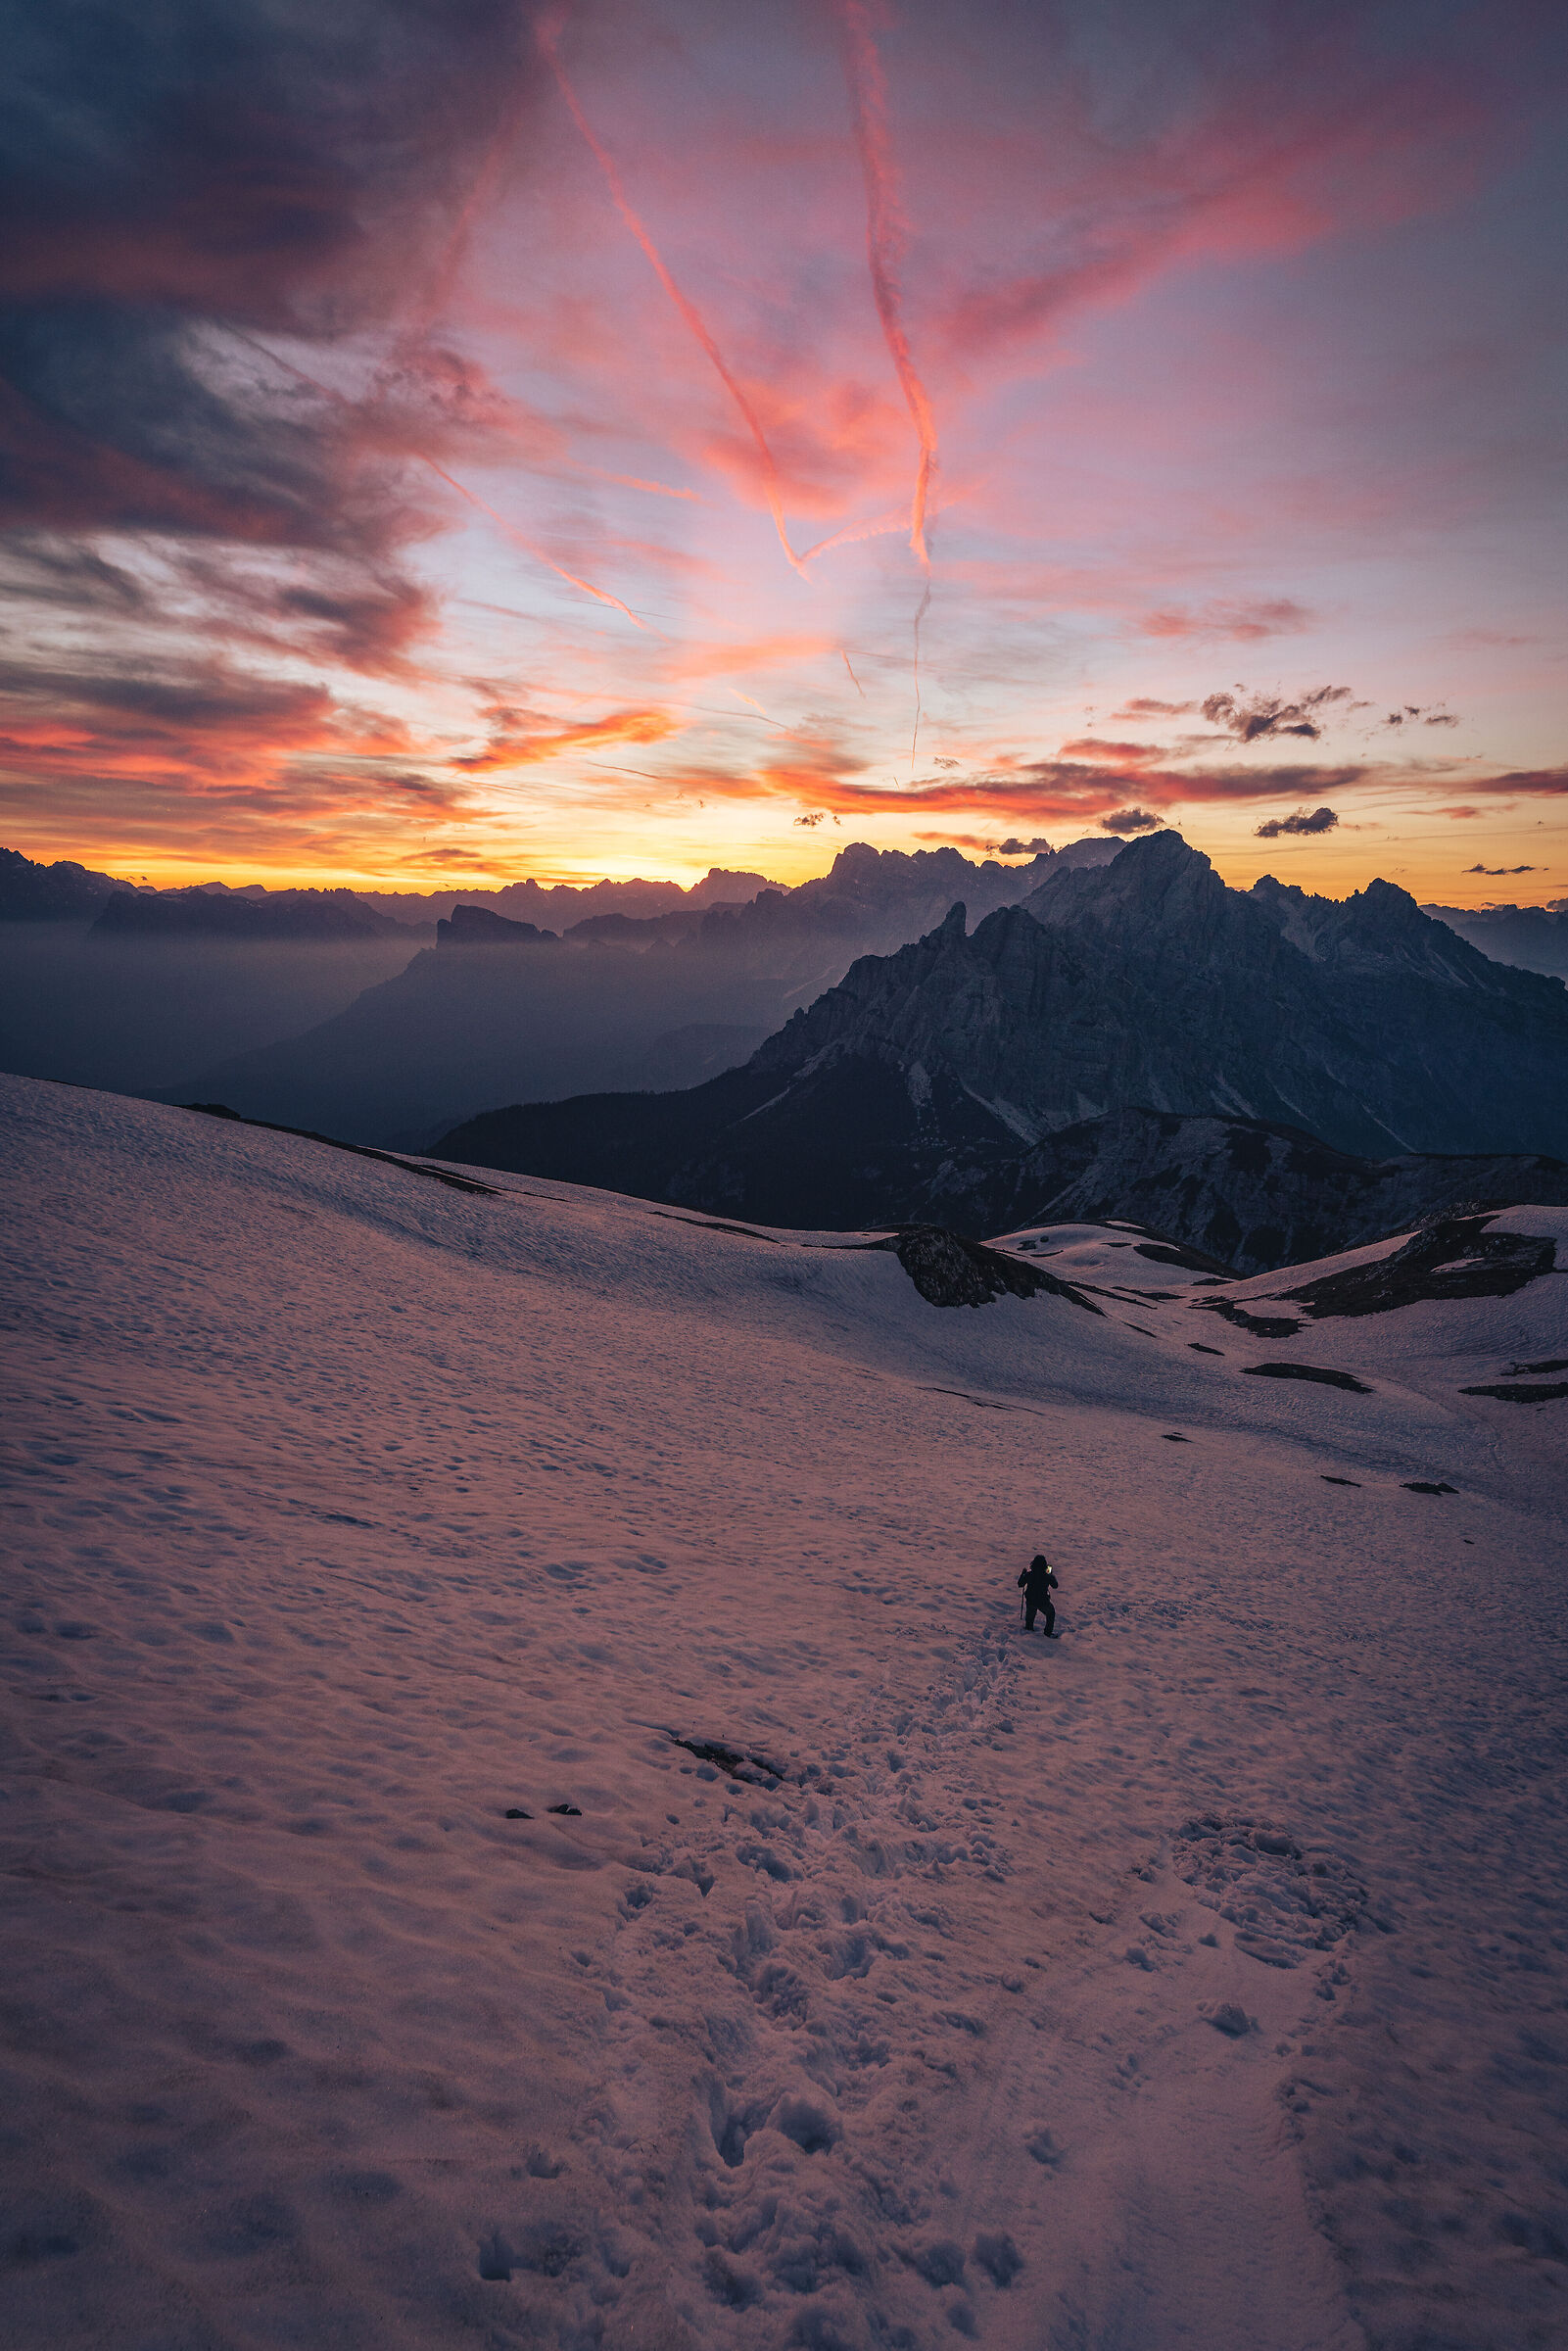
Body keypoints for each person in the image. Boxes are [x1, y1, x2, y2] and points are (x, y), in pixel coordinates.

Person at [1018, 1554, 1059, 1636]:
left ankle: (1029, 1630)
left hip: (1030, 1600)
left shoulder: (1029, 1574)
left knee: (1030, 1616)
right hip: (1043, 1601)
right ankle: (1048, 1632)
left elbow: (1020, 1584)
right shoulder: (1046, 1576)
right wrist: (1051, 1575)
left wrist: (1022, 1574)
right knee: (1050, 1613)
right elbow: (1055, 1586)